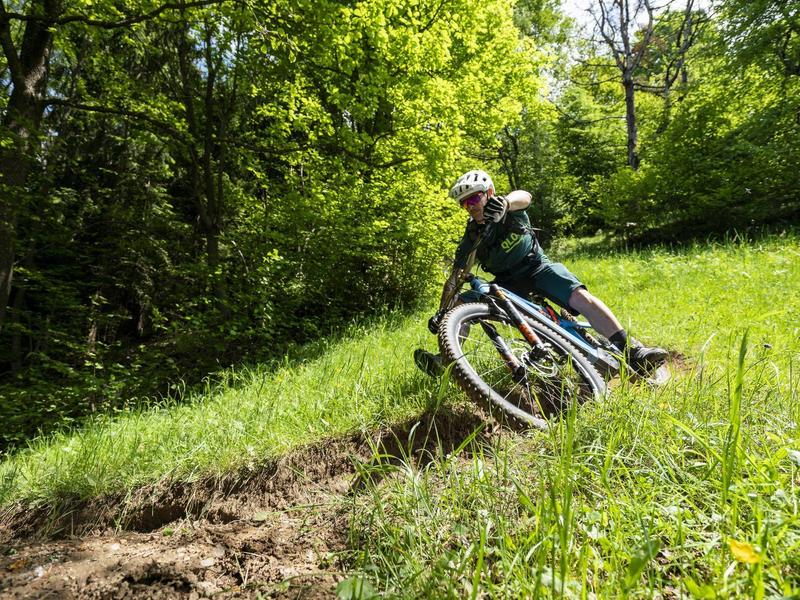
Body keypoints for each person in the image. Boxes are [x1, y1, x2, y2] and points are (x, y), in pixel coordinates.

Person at [414, 169, 667, 377]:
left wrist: (506, 203)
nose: (470, 207)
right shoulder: (472, 236)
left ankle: (633, 351)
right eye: (464, 203)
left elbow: (525, 196)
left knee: (580, 298)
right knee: (462, 303)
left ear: (489, 192)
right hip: (507, 285)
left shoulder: (509, 207)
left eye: (473, 199)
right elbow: (455, 278)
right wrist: (443, 312)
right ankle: (445, 361)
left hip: (538, 268)